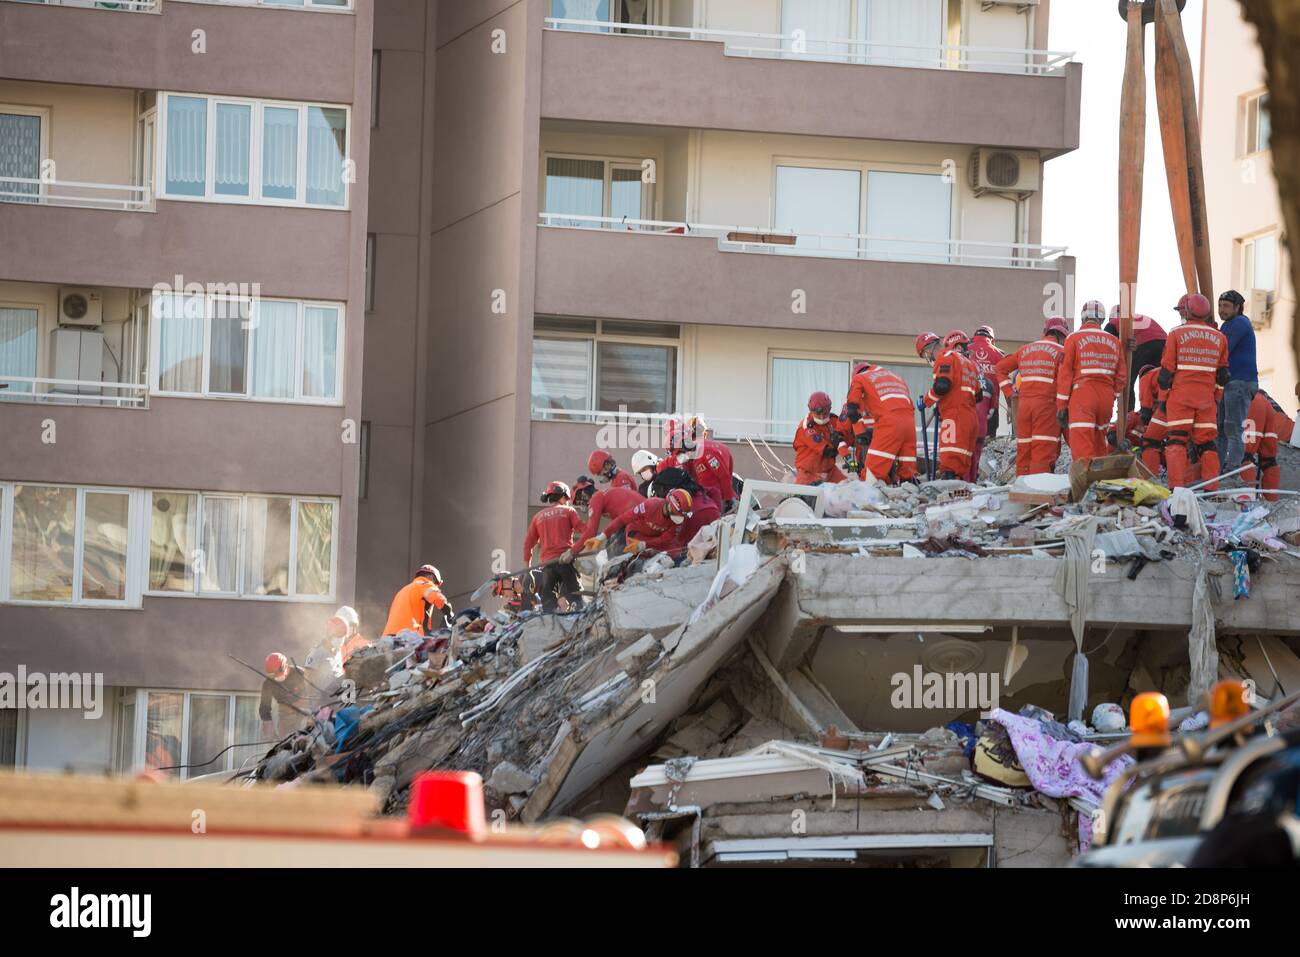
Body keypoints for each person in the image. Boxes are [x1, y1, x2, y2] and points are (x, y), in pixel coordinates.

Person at [1159, 293, 1230, 489]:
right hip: (1206, 400)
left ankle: (1177, 488)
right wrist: (1215, 398)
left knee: (1176, 440)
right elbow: (1223, 375)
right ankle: (1212, 489)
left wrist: (1163, 400)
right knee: (1207, 444)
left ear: (1187, 311)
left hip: (1180, 398)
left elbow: (1165, 373)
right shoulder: (1220, 338)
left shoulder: (1175, 334)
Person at [994, 316, 1068, 476]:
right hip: (1047, 406)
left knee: (1025, 449)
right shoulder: (1062, 352)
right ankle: (1037, 493)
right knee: (1043, 449)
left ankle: (1022, 489)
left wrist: (1010, 393)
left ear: (1046, 331)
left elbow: (1000, 368)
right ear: (1062, 335)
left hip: (1024, 407)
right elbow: (1065, 382)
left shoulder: (1025, 349)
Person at [1056, 306, 1123, 466]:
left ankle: (1086, 483)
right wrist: (1112, 395)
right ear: (1102, 319)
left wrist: (1062, 406)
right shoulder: (1114, 341)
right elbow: (1121, 376)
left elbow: (1065, 374)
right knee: (1100, 441)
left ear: (1083, 318)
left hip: (1083, 395)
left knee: (1082, 443)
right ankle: (1099, 481)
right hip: (1106, 397)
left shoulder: (1073, 338)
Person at [919, 330, 981, 480]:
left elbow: (942, 386)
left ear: (929, 349)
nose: (928, 358)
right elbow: (978, 395)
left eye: (925, 354)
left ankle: (947, 498)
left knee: (949, 463)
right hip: (971, 417)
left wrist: (926, 401)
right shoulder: (970, 364)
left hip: (954, 415)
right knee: (961, 464)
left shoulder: (945, 357)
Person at [844, 363, 917, 484]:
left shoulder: (860, 378)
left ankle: (870, 501)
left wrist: (860, 433)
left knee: (871, 476)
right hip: (910, 423)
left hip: (889, 425)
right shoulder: (896, 378)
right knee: (908, 475)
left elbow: (851, 410)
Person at [1214, 290, 1259, 477]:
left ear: (1238, 308)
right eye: (1220, 305)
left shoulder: (1239, 323)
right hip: (1232, 383)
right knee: (1222, 429)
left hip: (1240, 382)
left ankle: (1231, 472)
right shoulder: (1228, 325)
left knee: (1232, 428)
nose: (1221, 310)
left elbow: (1221, 348)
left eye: (1226, 306)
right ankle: (1218, 472)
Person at [523, 480, 585, 612]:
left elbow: (528, 544)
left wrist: (527, 570)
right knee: (577, 601)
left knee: (548, 606)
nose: (567, 501)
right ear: (563, 496)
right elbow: (585, 532)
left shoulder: (537, 517)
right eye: (567, 498)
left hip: (547, 566)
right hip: (565, 561)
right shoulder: (568, 511)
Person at [585, 489, 694, 557]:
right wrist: (602, 537)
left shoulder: (678, 518)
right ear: (669, 505)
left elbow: (665, 539)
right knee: (637, 557)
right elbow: (622, 519)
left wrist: (645, 545)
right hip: (637, 534)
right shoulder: (650, 506)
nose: (677, 518)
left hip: (655, 538)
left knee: (675, 553)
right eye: (676, 514)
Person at [1104, 304, 1168, 408]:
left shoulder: (1114, 322)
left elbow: (1105, 345)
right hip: (1164, 344)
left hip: (1144, 344)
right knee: (1154, 380)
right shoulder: (1140, 318)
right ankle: (1155, 412)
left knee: (1127, 381)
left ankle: (1128, 413)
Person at [1241, 389, 1294, 501]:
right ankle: (1271, 501)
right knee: (1269, 461)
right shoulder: (1263, 398)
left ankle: (1247, 501)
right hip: (1269, 412)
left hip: (1250, 405)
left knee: (1245, 456)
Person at [967, 325, 1005, 474]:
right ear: (992, 339)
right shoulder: (999, 354)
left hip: (967, 403)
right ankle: (982, 470)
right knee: (987, 442)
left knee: (967, 440)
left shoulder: (966, 350)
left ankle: (967, 470)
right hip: (990, 406)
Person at [574, 473, 645, 552]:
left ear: (584, 494)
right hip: (642, 515)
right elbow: (617, 522)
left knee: (617, 551)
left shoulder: (596, 499)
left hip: (638, 520)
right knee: (611, 543)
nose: (580, 505)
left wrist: (573, 551)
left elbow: (591, 531)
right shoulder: (605, 494)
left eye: (579, 502)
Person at [793, 390, 848, 485]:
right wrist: (840, 448)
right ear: (811, 410)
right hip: (808, 474)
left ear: (830, 409)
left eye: (825, 413)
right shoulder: (806, 427)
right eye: (818, 414)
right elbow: (827, 451)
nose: (822, 417)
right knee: (814, 497)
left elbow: (846, 433)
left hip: (830, 471)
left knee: (847, 488)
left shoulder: (833, 421)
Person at [382, 565, 451, 637]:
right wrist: (448, 611)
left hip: (388, 639)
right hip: (409, 637)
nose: (436, 586)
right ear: (431, 577)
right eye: (436, 584)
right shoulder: (424, 584)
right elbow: (438, 598)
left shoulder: (402, 591)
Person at [259, 652, 313, 739]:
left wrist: (305, 708)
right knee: (286, 741)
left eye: (279, 673)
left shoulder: (300, 674)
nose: (277, 677)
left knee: (304, 739)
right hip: (285, 715)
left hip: (304, 712)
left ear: (285, 666)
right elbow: (264, 707)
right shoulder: (269, 683)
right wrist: (267, 722)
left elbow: (313, 694)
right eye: (274, 675)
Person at [1134, 364, 1169, 476]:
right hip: (1194, 401)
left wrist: (1148, 426)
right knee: (1182, 442)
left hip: (1171, 404)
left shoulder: (1146, 378)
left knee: (1150, 441)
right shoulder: (1160, 374)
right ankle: (1190, 481)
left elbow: (1145, 410)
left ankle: (1150, 478)